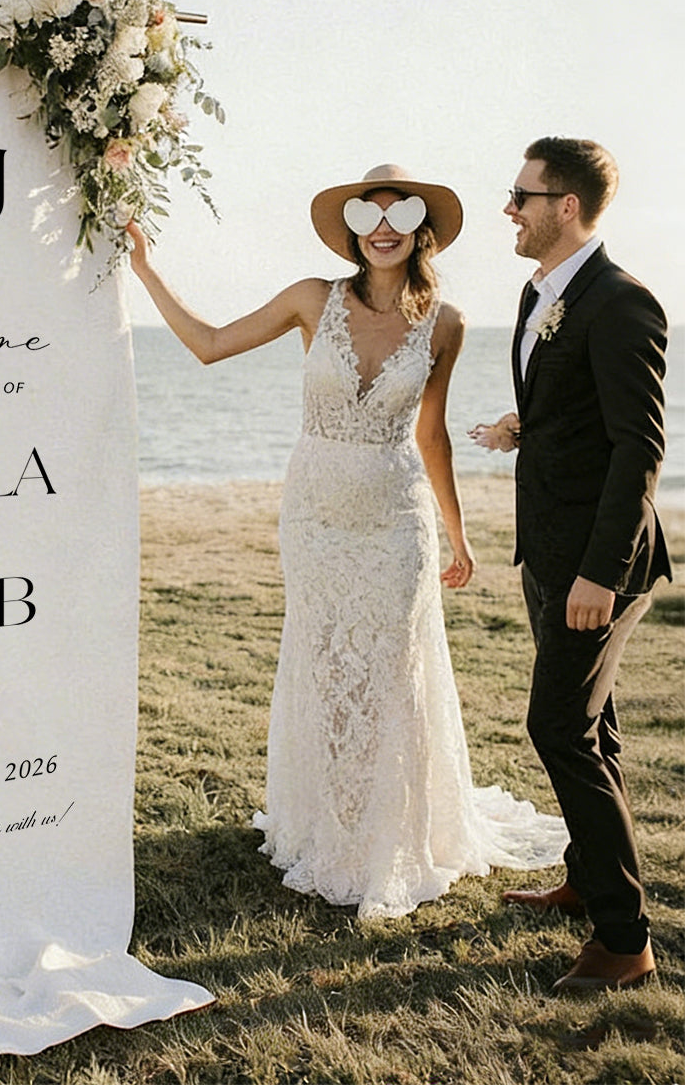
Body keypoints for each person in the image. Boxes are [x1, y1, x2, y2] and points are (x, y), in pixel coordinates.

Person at [128, 164, 566, 919]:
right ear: (353, 229)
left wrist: (457, 535)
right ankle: (333, 824)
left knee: (392, 671)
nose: (384, 228)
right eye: (370, 214)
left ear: (422, 230)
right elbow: (208, 345)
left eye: (400, 214)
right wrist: (145, 269)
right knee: (328, 669)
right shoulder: (312, 299)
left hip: (396, 518)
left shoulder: (448, 323)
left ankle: (389, 837)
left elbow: (431, 434)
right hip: (315, 516)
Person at [470, 137, 671, 991]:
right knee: (595, 726)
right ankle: (588, 880)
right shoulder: (538, 294)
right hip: (548, 548)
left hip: (599, 564)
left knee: (558, 728)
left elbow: (639, 448)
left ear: (568, 206)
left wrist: (601, 575)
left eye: (522, 195)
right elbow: (575, 406)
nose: (508, 209)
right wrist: (523, 427)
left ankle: (625, 940)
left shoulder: (622, 303)